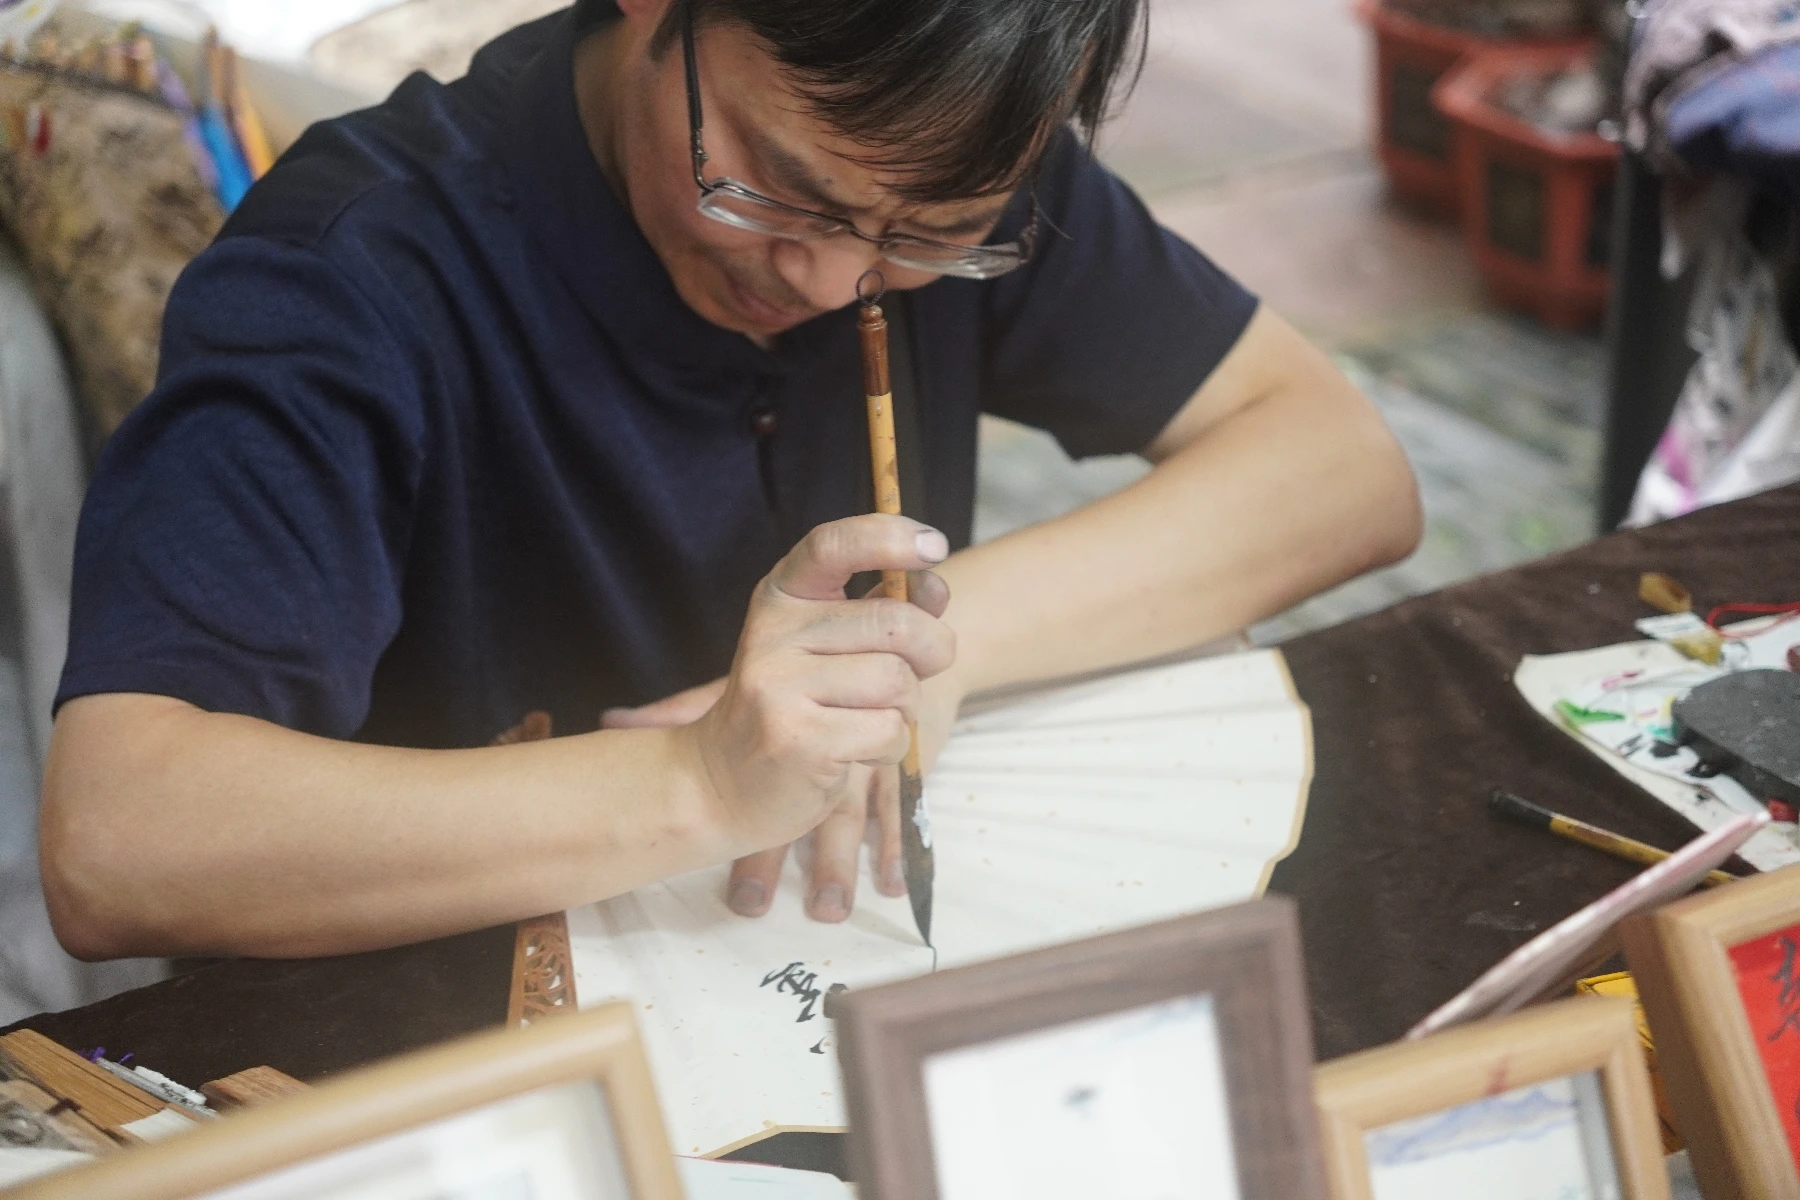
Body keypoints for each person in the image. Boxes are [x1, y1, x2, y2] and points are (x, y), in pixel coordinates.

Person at [40, 0, 1420, 960]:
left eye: (922, 237)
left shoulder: (935, 159)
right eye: (771, 188)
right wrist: (699, 783)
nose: (826, 280)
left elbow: (1341, 468)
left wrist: (922, 657)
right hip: (455, 1015)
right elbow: (120, 837)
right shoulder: (353, 275)